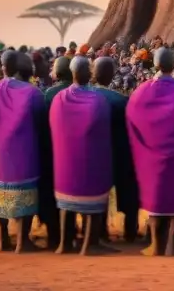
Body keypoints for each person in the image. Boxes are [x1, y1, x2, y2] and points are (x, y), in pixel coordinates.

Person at [126, 46, 174, 257]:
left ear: (155, 64)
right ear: (173, 65)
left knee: (156, 193)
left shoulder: (141, 92)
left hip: (150, 153)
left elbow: (132, 117)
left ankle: (156, 245)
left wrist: (144, 144)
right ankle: (173, 244)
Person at [49, 56, 116, 255]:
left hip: (65, 166)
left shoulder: (58, 99)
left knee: (65, 205)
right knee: (94, 198)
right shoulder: (98, 100)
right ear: (88, 73)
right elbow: (103, 132)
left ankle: (64, 243)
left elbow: (56, 129)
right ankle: (90, 244)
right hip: (90, 163)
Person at [0, 50, 46, 252]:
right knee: (26, 192)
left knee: (1, 190)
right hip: (26, 149)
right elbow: (40, 122)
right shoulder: (33, 93)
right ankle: (22, 240)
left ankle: (3, 239)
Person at [93, 56, 140, 242]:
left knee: (99, 192)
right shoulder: (122, 100)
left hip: (96, 156)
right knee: (129, 190)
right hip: (121, 154)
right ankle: (130, 230)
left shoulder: (88, 97)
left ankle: (101, 229)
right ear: (112, 74)